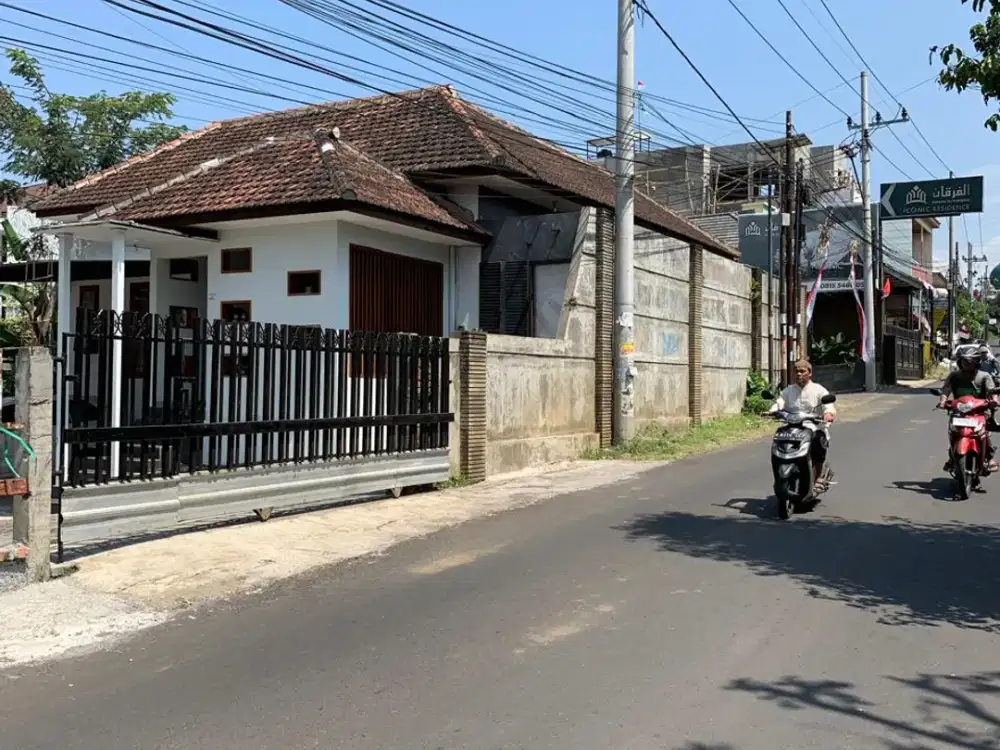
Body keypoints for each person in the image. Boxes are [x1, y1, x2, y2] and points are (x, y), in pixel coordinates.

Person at [770, 359, 837, 490]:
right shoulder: (788, 391)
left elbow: (828, 405)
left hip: (813, 427)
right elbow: (779, 402)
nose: (799, 374)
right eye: (796, 371)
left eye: (802, 371)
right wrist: (771, 411)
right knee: (777, 441)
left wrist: (828, 413)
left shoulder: (819, 390)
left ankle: (817, 477)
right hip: (791, 427)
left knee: (818, 443)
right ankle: (779, 473)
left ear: (809, 373)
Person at [937, 347, 999, 473]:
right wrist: (943, 401)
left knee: (984, 433)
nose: (967, 364)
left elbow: (992, 391)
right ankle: (952, 457)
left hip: (980, 411)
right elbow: (946, 389)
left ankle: (989, 456)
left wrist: (994, 400)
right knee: (954, 433)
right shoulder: (954, 376)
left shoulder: (984, 376)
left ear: (976, 362)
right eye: (964, 361)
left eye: (970, 361)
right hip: (959, 412)